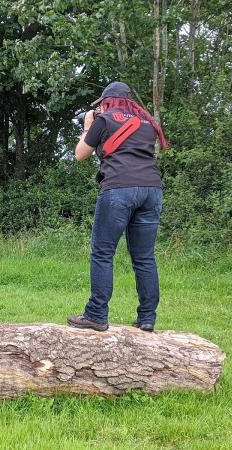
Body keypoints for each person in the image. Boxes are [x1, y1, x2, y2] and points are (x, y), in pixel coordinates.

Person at [67, 81, 168, 332]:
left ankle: (96, 314)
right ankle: (147, 318)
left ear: (106, 102)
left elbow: (80, 154)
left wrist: (88, 125)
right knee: (144, 258)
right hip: (152, 190)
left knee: (103, 253)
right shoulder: (146, 123)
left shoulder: (104, 120)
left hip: (119, 189)